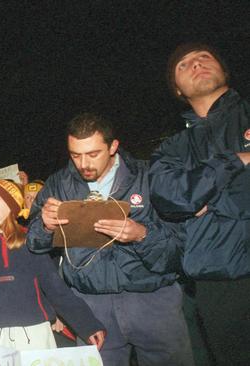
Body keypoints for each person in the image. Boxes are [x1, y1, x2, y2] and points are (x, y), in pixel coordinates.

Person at [27, 113, 193, 365]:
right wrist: (45, 226)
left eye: (93, 154)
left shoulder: (149, 176)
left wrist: (142, 235)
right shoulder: (58, 184)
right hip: (91, 307)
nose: (83, 164)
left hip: (153, 301)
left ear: (113, 146)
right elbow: (33, 243)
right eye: (75, 155)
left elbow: (181, 249)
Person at [149, 43, 250, 365]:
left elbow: (189, 198)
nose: (196, 64)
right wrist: (237, 160)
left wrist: (203, 196)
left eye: (204, 57)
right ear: (177, 89)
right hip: (219, 282)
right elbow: (170, 198)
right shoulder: (174, 148)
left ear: (223, 68)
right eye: (184, 65)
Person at [0, 180, 104, 351]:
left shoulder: (30, 242)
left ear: (11, 205)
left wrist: (87, 324)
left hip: (35, 332)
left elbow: (55, 288)